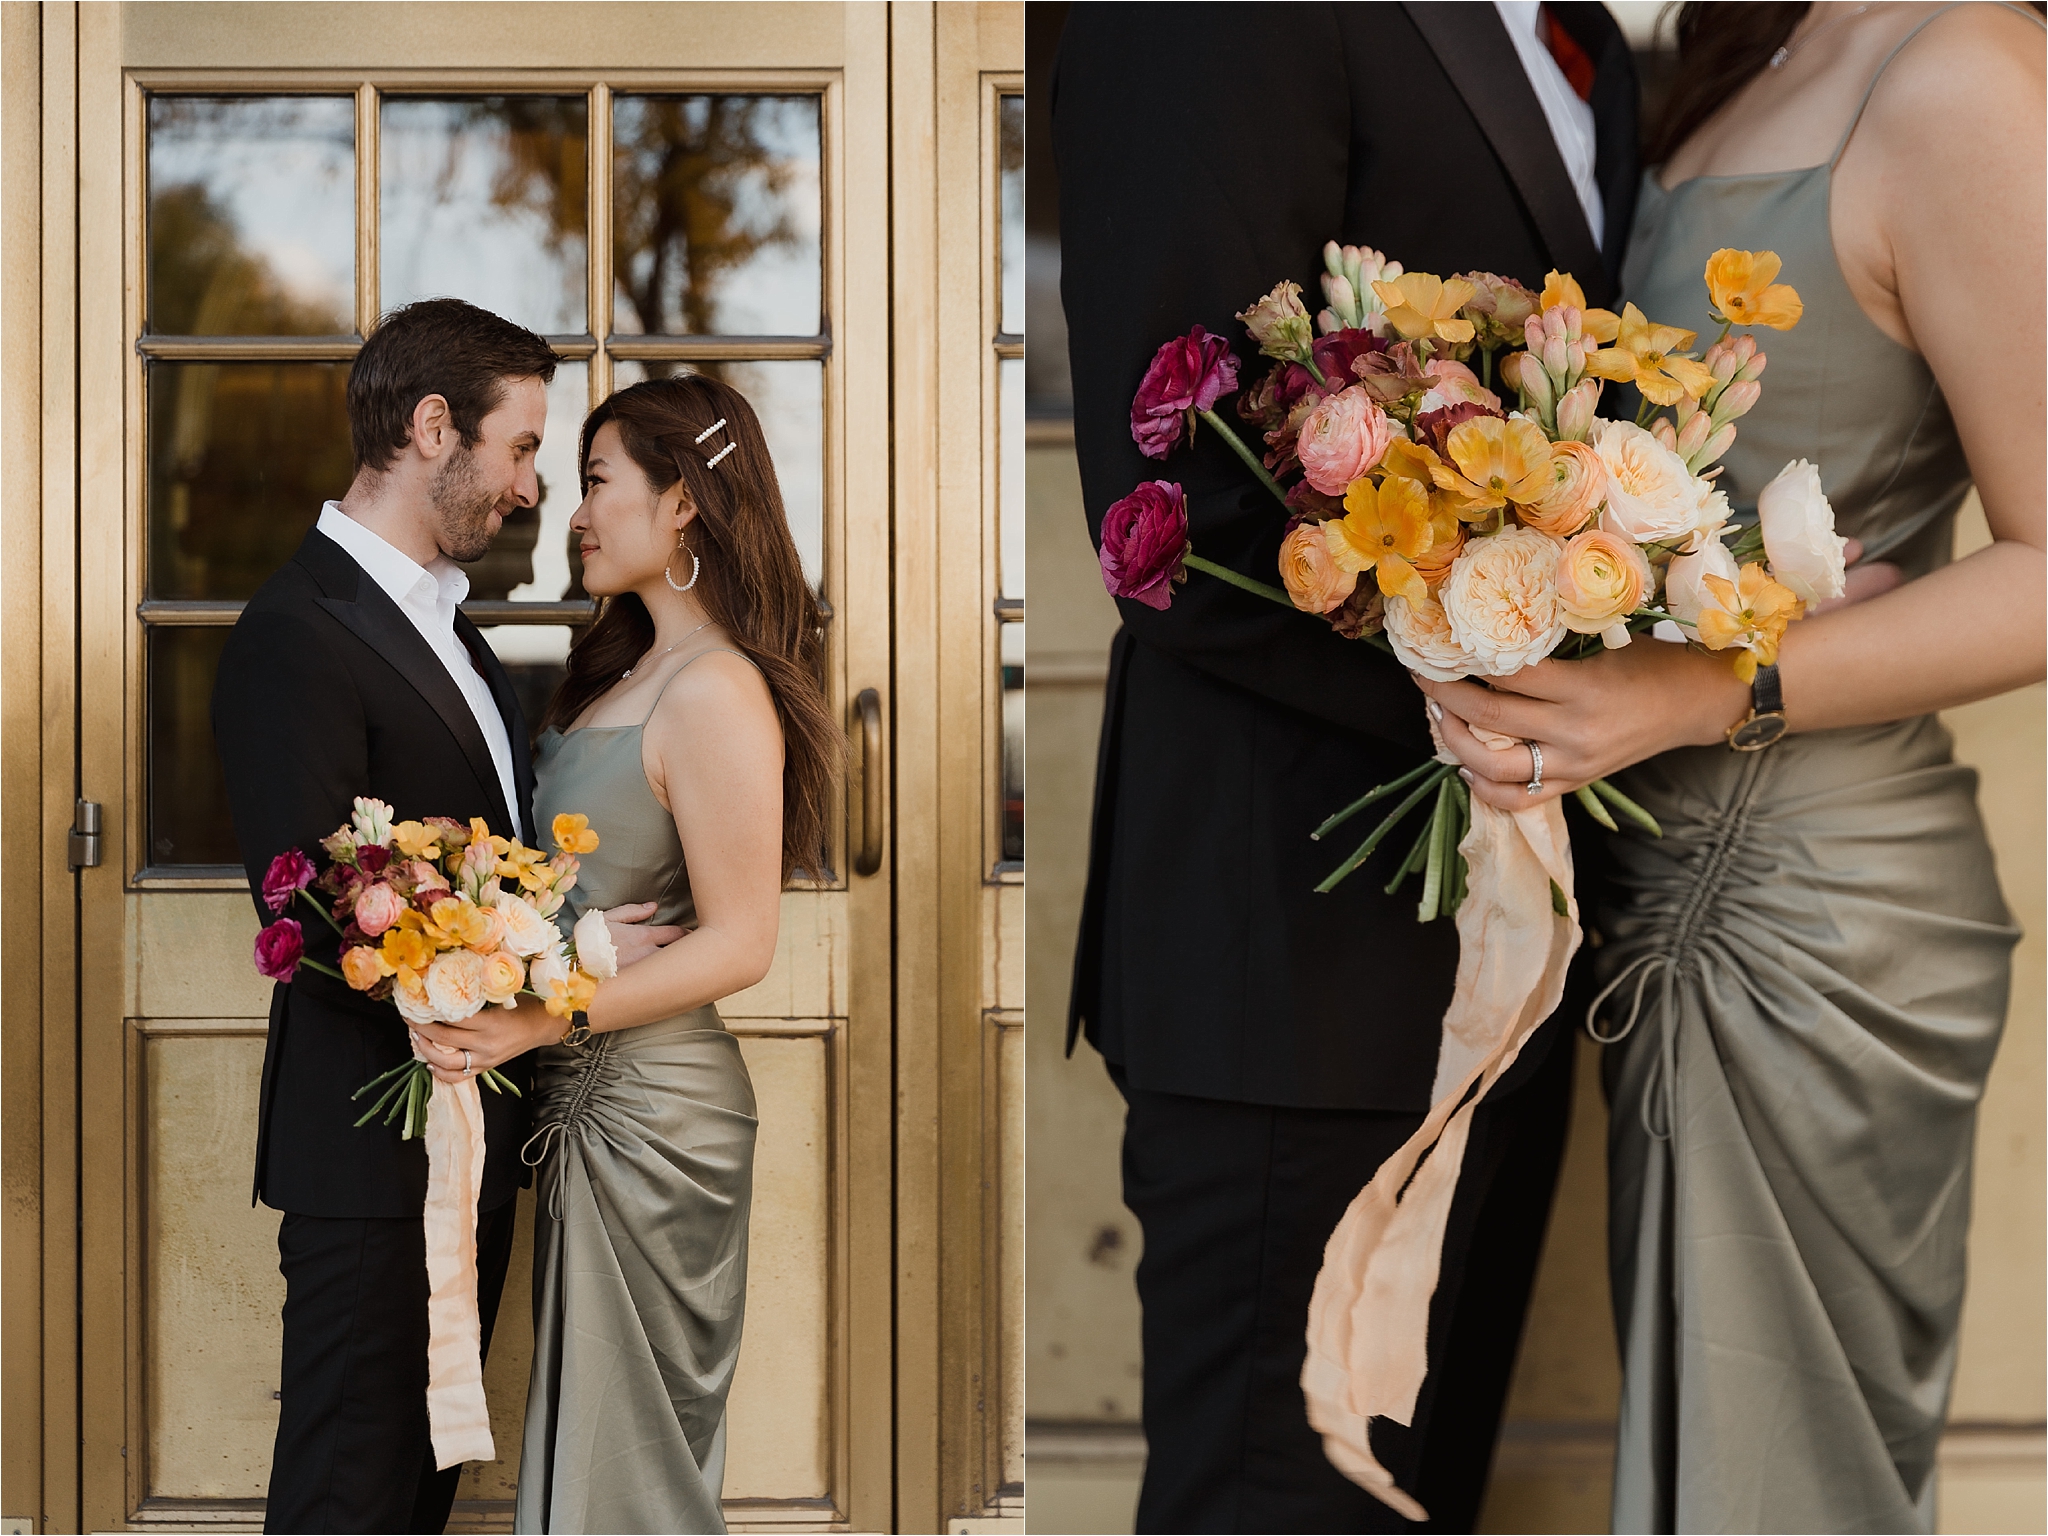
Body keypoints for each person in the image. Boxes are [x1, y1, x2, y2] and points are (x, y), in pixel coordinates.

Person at [1420, 3, 2045, 1530]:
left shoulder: (1963, 73)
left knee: (1777, 1493)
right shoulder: (1737, 53)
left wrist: (1699, 689)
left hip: (1810, 916)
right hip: (1661, 891)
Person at [1053, 5, 1639, 1529]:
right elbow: (1171, 505)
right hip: (1296, 952)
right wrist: (1514, 694)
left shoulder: (1586, 41)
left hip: (1512, 940)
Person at [407, 373, 838, 1534]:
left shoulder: (715, 692)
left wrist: (546, 1016)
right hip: (588, 1104)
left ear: (684, 502)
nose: (572, 511)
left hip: (655, 1113)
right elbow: (571, 889)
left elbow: (743, 943)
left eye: (597, 482)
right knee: (600, 1449)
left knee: (628, 1468)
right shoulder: (626, 673)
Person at [213, 297, 574, 1533]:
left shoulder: (452, 632)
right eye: (521, 447)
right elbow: (305, 907)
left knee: (413, 1499)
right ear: (433, 426)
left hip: (470, 1143)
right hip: (372, 1153)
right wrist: (478, 988)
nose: (530, 485)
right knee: (341, 1497)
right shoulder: (296, 632)